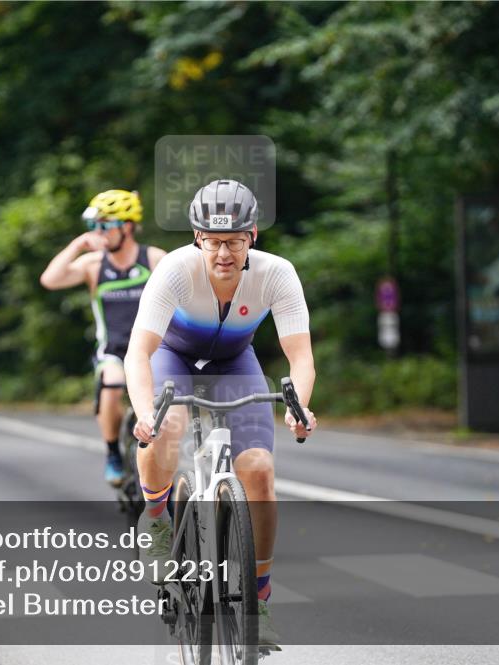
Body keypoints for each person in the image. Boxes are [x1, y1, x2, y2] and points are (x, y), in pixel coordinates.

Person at [124, 179, 317, 650]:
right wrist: (144, 411)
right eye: (213, 242)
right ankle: (155, 517)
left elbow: (301, 357)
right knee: (165, 427)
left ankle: (260, 596)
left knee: (259, 470)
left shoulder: (277, 274)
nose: (223, 253)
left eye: (234, 241)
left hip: (235, 364)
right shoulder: (173, 271)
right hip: (173, 358)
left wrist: (300, 407)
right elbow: (137, 353)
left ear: (253, 236)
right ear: (197, 239)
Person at [40, 189, 166, 486]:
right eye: (94, 226)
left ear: (128, 226)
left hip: (154, 349)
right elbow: (50, 279)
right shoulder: (94, 265)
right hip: (114, 350)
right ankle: (112, 452)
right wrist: (78, 244)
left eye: (106, 225)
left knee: (165, 405)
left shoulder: (154, 259)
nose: (99, 233)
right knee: (110, 385)